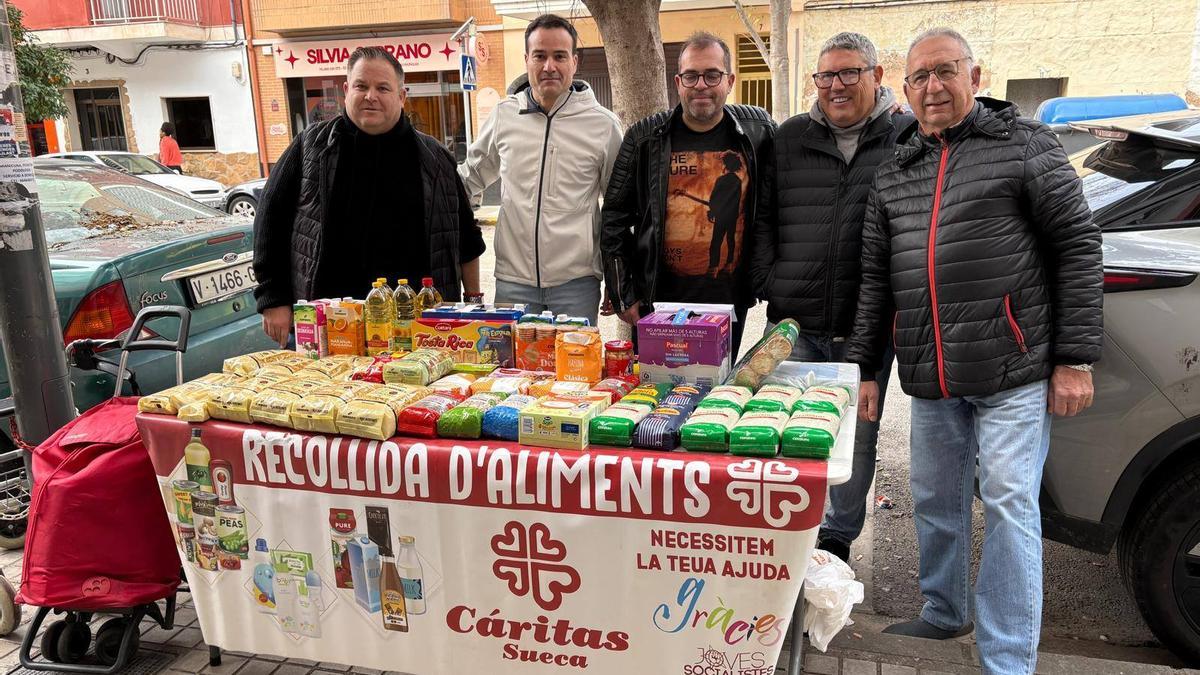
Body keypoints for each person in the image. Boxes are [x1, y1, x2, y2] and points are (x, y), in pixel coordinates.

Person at [845, 28, 1102, 673]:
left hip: (1013, 368)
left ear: (975, 76)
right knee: (934, 498)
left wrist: (1074, 359)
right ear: (902, 91)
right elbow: (877, 277)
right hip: (931, 372)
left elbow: (1077, 246)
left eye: (945, 71)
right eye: (920, 77)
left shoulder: (1025, 147)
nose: (933, 86)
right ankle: (943, 610)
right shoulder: (897, 170)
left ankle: (1008, 656)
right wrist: (867, 369)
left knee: (1011, 503)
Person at [750, 32, 911, 563]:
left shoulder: (906, 136)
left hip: (866, 326)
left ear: (876, 76)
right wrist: (770, 280)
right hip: (794, 322)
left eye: (849, 74)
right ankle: (789, 534)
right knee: (780, 429)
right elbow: (764, 217)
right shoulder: (790, 137)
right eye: (826, 76)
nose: (836, 86)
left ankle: (837, 541)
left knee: (854, 441)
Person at [252, 46, 485, 347]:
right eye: (361, 86)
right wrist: (273, 299)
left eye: (382, 88)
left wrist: (474, 304)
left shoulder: (435, 158)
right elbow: (269, 221)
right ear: (346, 90)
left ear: (402, 96)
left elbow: (466, 236)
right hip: (328, 326)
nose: (370, 96)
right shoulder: (311, 147)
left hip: (418, 329)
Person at [600, 31, 775, 355]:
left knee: (716, 400)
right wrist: (624, 293)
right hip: (657, 304)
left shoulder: (757, 133)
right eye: (692, 76)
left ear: (729, 80)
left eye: (712, 75)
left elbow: (777, 204)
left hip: (728, 305)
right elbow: (614, 218)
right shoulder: (644, 138)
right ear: (678, 81)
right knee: (654, 399)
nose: (701, 85)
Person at [459, 14, 622, 326]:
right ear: (526, 60)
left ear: (574, 62)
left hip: (576, 285)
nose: (550, 66)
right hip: (512, 282)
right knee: (511, 374)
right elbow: (467, 179)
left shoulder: (603, 125)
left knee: (574, 373)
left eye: (559, 56)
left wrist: (618, 277)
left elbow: (620, 209)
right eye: (540, 56)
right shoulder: (504, 116)